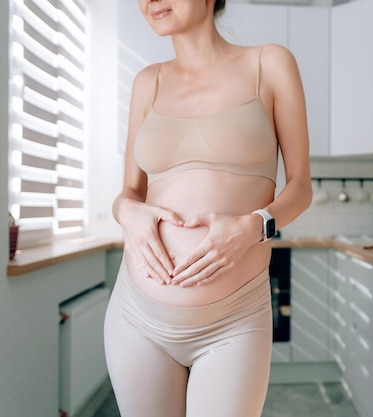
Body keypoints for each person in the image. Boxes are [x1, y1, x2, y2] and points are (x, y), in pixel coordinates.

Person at [103, 0, 312, 416]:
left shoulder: (269, 64)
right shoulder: (148, 82)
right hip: (136, 319)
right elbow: (128, 192)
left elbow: (301, 187)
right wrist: (129, 214)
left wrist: (254, 226)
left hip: (232, 323)